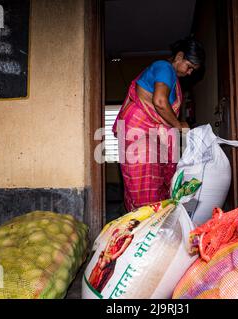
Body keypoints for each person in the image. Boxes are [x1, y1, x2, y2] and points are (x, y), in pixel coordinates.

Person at [112, 37, 205, 212]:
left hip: (148, 139)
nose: (190, 72)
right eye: (189, 66)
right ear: (179, 56)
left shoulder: (172, 79)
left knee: (151, 188)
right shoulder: (165, 68)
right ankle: (146, 231)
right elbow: (160, 102)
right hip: (141, 137)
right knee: (145, 190)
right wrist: (178, 125)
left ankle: (148, 230)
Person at [88, 219, 140, 293]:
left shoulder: (129, 236)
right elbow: (109, 241)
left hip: (111, 257)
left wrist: (111, 258)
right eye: (129, 223)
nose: (129, 225)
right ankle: (90, 290)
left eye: (132, 224)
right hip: (105, 254)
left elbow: (122, 250)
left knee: (102, 275)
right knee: (96, 271)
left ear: (134, 227)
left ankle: (94, 292)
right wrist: (103, 251)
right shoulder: (118, 230)